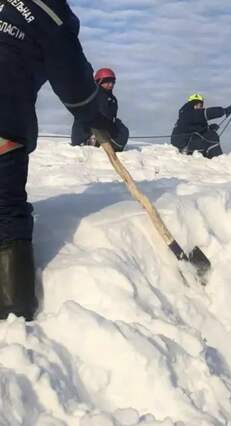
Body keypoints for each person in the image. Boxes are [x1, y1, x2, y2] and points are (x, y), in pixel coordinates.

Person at [0, 0, 115, 320]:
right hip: (4, 117)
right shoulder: (49, 12)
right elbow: (73, 78)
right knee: (5, 213)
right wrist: (96, 116)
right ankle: (14, 312)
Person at [71, 67, 129, 151]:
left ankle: (97, 140)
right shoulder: (94, 96)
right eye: (107, 82)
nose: (111, 84)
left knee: (119, 125)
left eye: (112, 82)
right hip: (86, 133)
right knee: (118, 127)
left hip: (99, 130)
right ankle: (90, 140)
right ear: (99, 82)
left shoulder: (111, 99)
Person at [171, 93, 231, 158]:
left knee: (210, 134)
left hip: (187, 142)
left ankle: (215, 158)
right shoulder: (188, 112)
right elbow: (207, 113)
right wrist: (225, 111)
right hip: (184, 145)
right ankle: (218, 159)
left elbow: (194, 128)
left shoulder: (188, 114)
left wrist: (209, 128)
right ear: (194, 104)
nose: (201, 107)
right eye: (200, 105)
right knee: (211, 136)